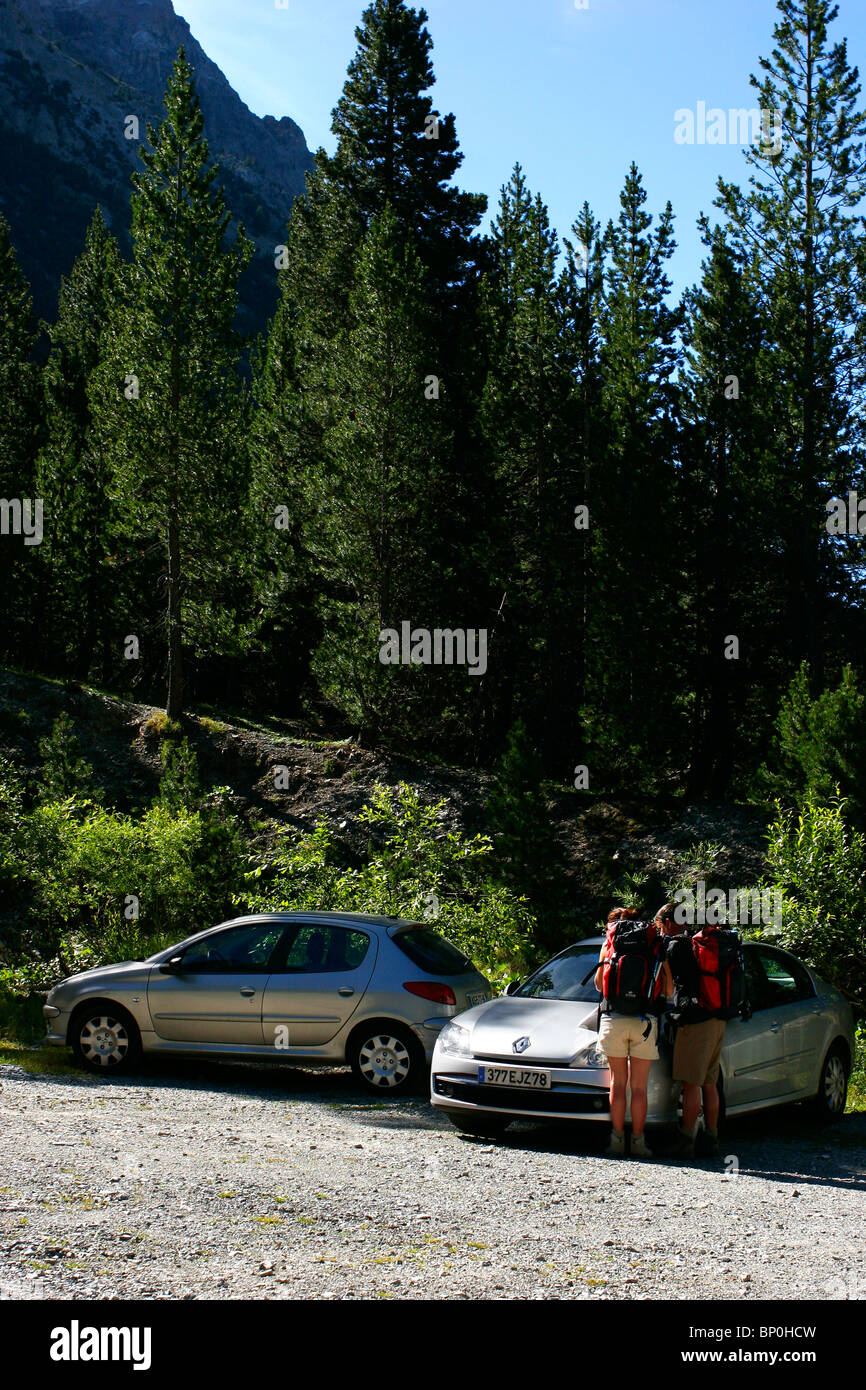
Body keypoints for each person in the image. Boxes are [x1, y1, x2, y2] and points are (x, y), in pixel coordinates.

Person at [594, 907, 672, 1159]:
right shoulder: (653, 945)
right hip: (644, 1021)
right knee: (639, 1088)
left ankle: (616, 1141)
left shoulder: (609, 945)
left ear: (613, 927)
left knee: (617, 1085)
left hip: (614, 1019)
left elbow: (598, 984)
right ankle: (638, 1141)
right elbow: (668, 990)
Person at [657, 901, 725, 1160]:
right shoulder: (698, 944)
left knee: (691, 1084)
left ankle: (685, 1141)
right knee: (710, 1083)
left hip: (696, 1023)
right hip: (717, 1019)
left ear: (668, 922)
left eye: (660, 924)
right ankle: (711, 1137)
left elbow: (669, 988)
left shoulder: (676, 946)